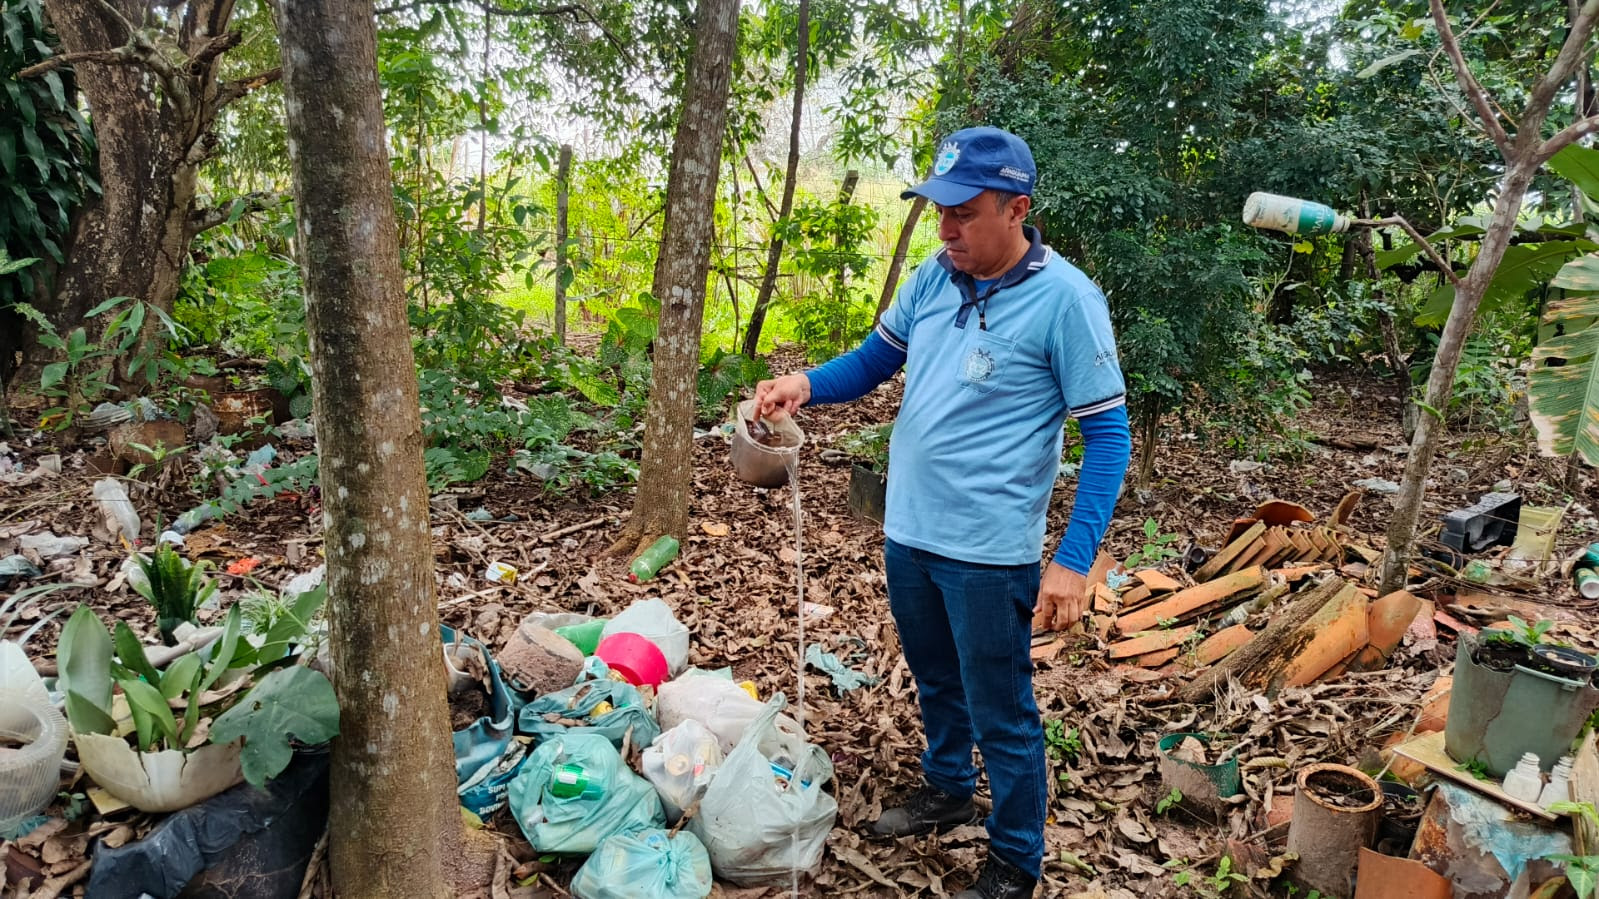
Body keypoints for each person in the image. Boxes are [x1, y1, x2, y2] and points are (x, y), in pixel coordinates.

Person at [752, 126, 1132, 899]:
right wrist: (806, 385)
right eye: (938, 210)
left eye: (963, 211)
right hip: (909, 533)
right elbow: (874, 359)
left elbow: (1108, 434)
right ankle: (949, 785)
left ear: (1016, 207)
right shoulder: (934, 275)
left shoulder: (1066, 301)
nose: (947, 228)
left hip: (989, 551)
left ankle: (1015, 859)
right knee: (934, 677)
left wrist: (1071, 558)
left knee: (1004, 708)